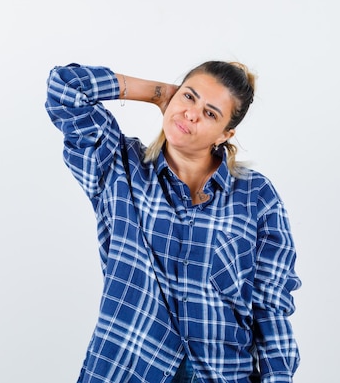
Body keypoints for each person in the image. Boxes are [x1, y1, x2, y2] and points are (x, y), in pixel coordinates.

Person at [45, 60, 301, 383]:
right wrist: (157, 94)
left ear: (226, 134)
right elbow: (65, 88)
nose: (191, 114)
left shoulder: (256, 197)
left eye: (210, 113)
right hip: (126, 371)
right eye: (189, 97)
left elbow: (270, 309)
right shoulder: (119, 167)